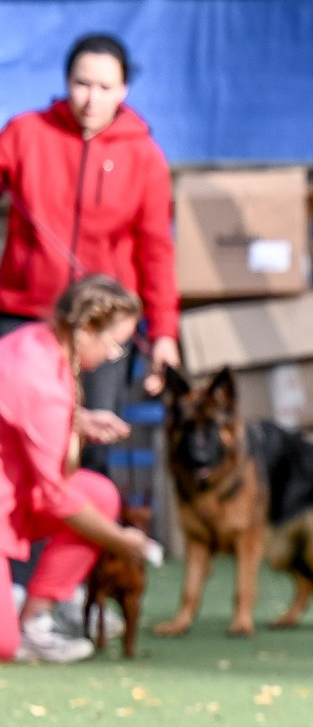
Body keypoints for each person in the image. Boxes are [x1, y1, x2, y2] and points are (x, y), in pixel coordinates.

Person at [0, 34, 182, 468]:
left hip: (100, 329)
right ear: (66, 82)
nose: (91, 99)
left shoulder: (144, 157)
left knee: (88, 447)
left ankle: (86, 535)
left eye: (104, 88)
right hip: (24, 315)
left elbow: (157, 251)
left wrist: (163, 334)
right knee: (14, 439)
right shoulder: (26, 133)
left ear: (123, 91)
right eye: (82, 84)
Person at [0, 276, 164, 664]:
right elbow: (57, 495)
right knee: (3, 647)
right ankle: (17, 625)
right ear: (86, 330)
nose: (112, 356)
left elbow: (19, 416)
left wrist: (79, 420)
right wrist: (120, 540)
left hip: (12, 492)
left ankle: (34, 623)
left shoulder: (34, 340)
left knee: (99, 493)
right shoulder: (42, 382)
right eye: (114, 345)